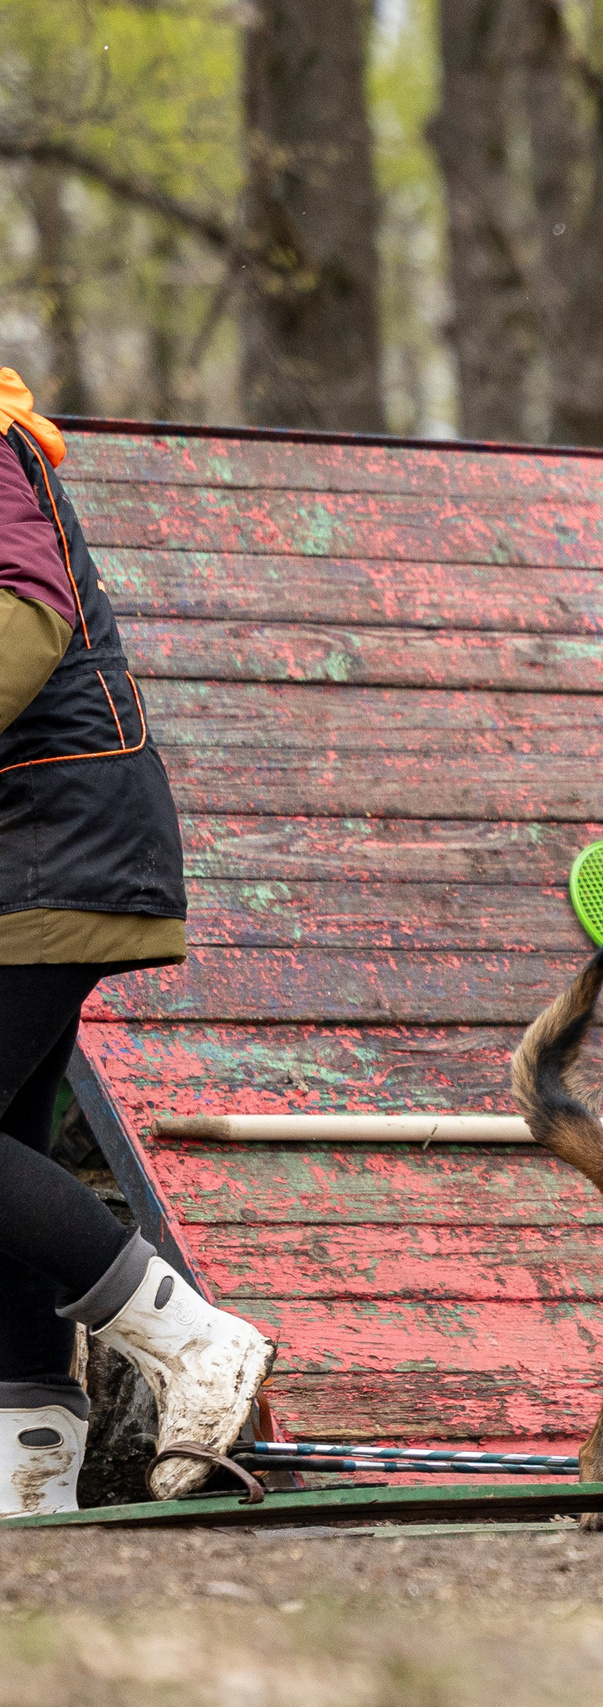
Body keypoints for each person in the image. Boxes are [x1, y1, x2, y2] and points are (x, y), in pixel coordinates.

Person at [0, 369, 274, 1513]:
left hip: (49, 838)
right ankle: (31, 1473)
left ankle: (194, 1343)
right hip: (37, 844)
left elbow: (27, 611)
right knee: (10, 1154)